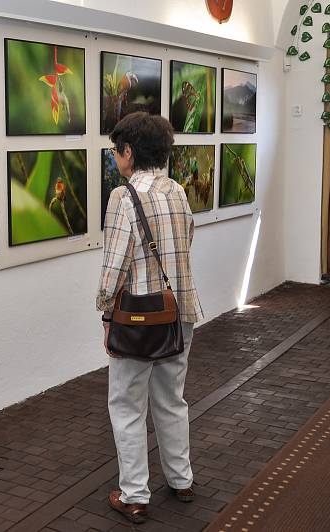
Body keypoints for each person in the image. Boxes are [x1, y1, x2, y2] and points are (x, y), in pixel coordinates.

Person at [96, 112, 203, 524]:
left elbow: (114, 266)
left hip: (139, 320)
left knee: (126, 405)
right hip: (181, 312)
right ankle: (181, 480)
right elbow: (188, 239)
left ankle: (135, 495)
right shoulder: (177, 191)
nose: (115, 158)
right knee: (171, 400)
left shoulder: (123, 198)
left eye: (115, 151)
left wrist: (106, 314)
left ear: (128, 152)